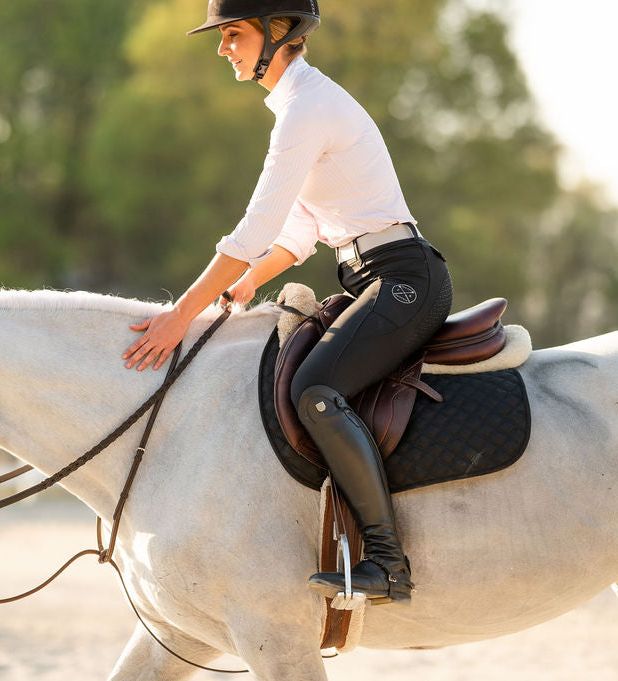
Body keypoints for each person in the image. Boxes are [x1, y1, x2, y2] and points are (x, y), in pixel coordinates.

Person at [122, 0, 452, 606]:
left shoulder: (308, 108)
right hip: (367, 273)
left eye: (233, 34)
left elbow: (254, 227)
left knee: (316, 391)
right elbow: (298, 228)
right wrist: (250, 280)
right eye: (222, 37)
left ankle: (387, 562)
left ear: (279, 32)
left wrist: (181, 315)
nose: (224, 47)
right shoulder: (299, 106)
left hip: (403, 279)